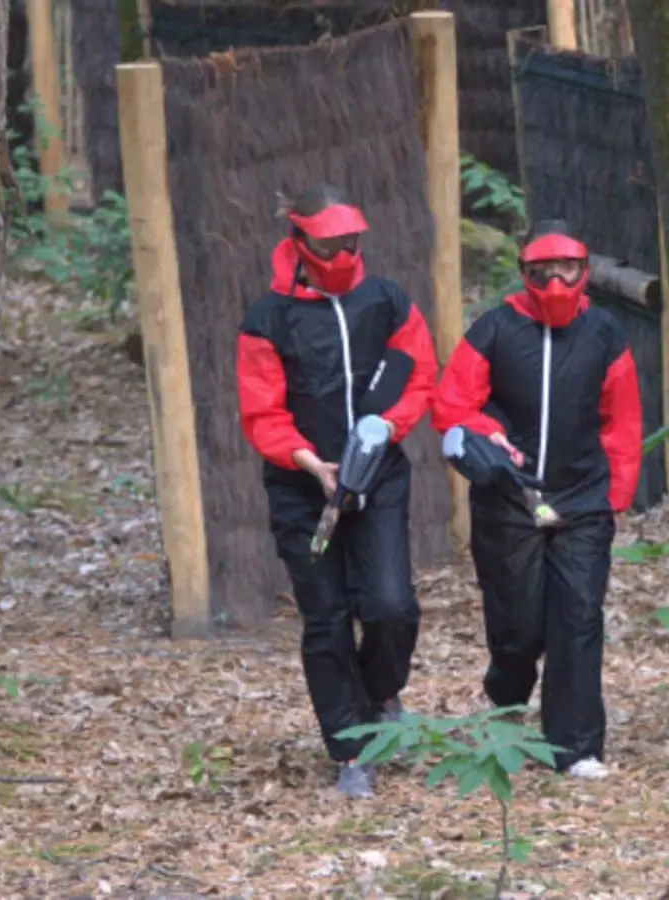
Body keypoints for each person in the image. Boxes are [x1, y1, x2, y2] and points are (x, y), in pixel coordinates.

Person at [235, 184, 437, 798]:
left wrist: (383, 431)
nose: (344, 251)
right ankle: (351, 753)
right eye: (330, 242)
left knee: (390, 606)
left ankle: (382, 694)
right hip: (303, 490)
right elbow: (262, 413)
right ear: (299, 239)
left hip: (380, 477)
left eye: (352, 240)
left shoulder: (388, 300)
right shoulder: (268, 318)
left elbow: (418, 372)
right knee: (326, 621)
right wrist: (311, 462)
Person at [431, 219, 643, 780]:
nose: (555, 282)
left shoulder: (605, 333)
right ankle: (505, 698)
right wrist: (490, 437)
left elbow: (621, 419)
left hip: (582, 497)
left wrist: (614, 493)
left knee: (577, 618)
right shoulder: (494, 329)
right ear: (523, 273)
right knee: (519, 626)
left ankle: (576, 748)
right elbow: (451, 406)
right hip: (508, 498)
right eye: (541, 271)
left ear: (583, 269)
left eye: (566, 269)